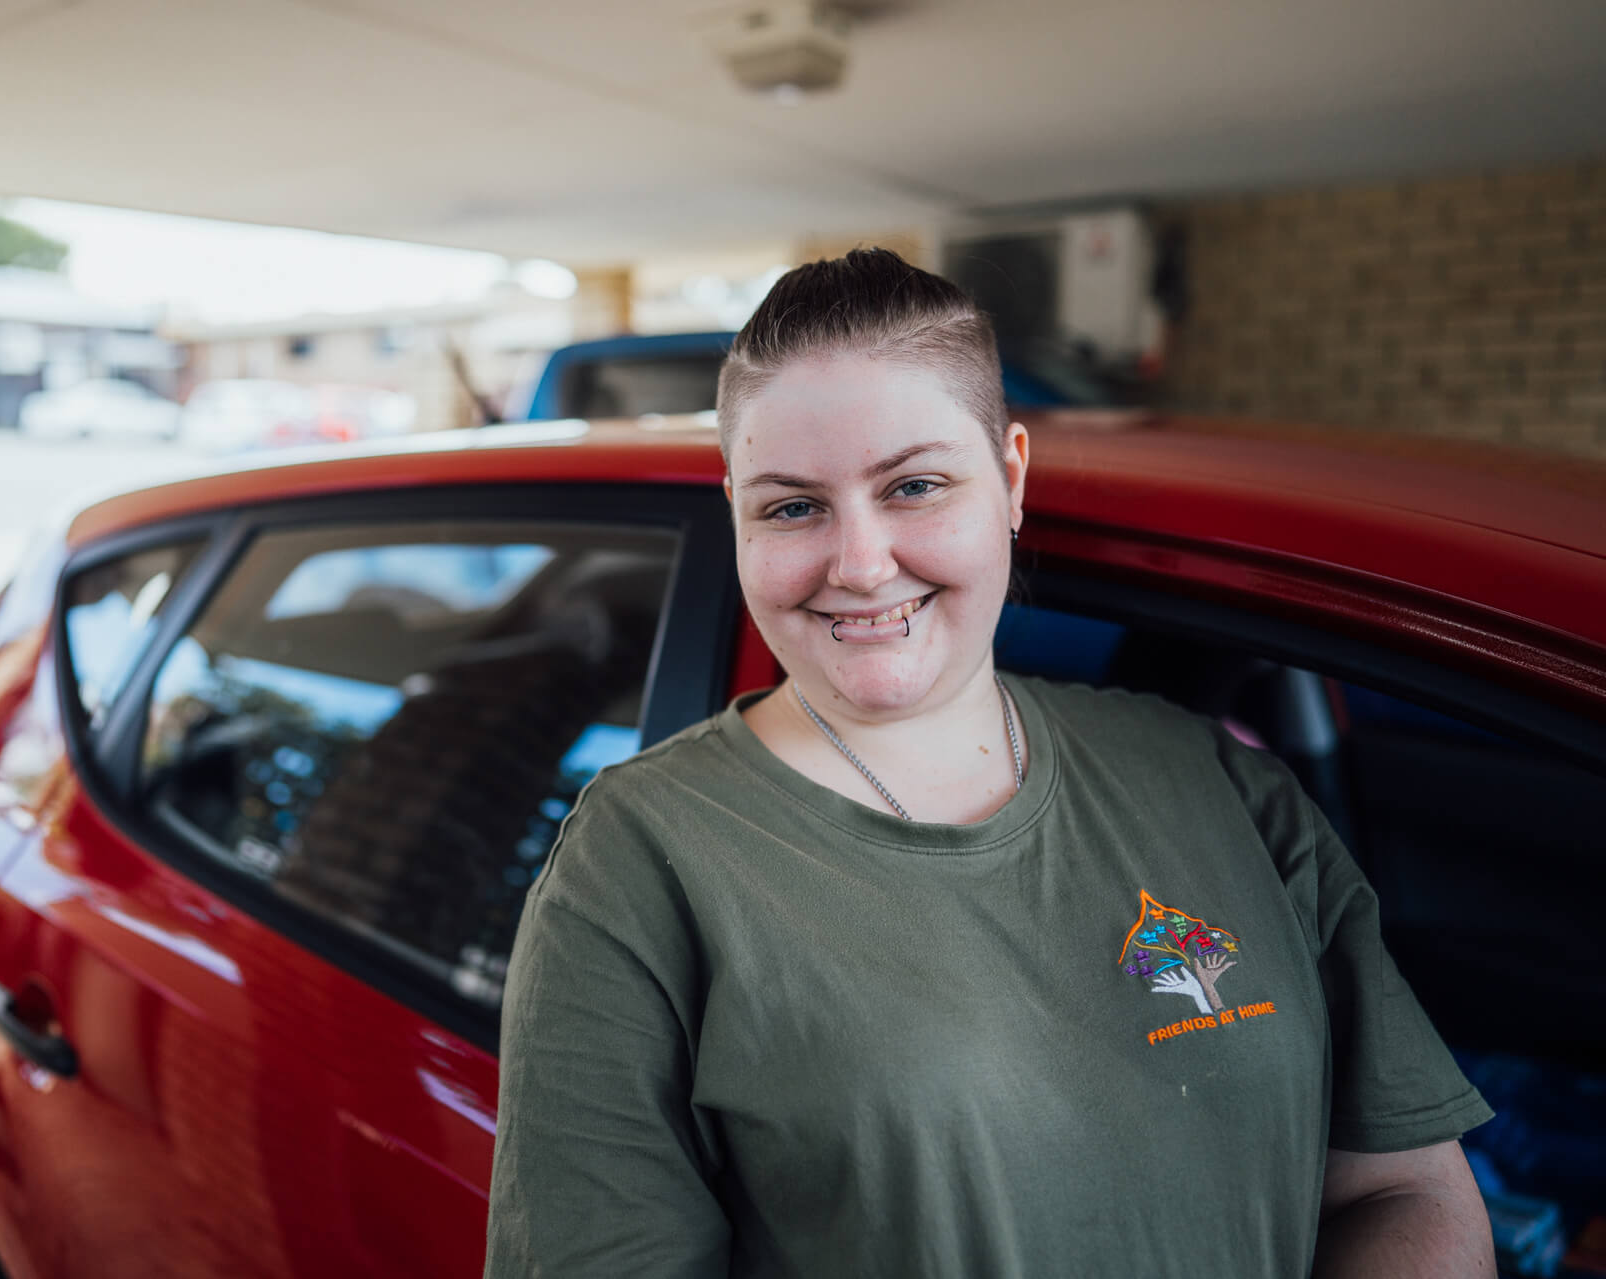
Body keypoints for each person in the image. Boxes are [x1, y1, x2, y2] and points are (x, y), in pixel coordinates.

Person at [483, 249, 1495, 1277]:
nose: (863, 563)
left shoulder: (1220, 785)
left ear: (1010, 477)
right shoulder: (638, 863)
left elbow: (1404, 1184)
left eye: (915, 485)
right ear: (735, 505)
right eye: (794, 506)